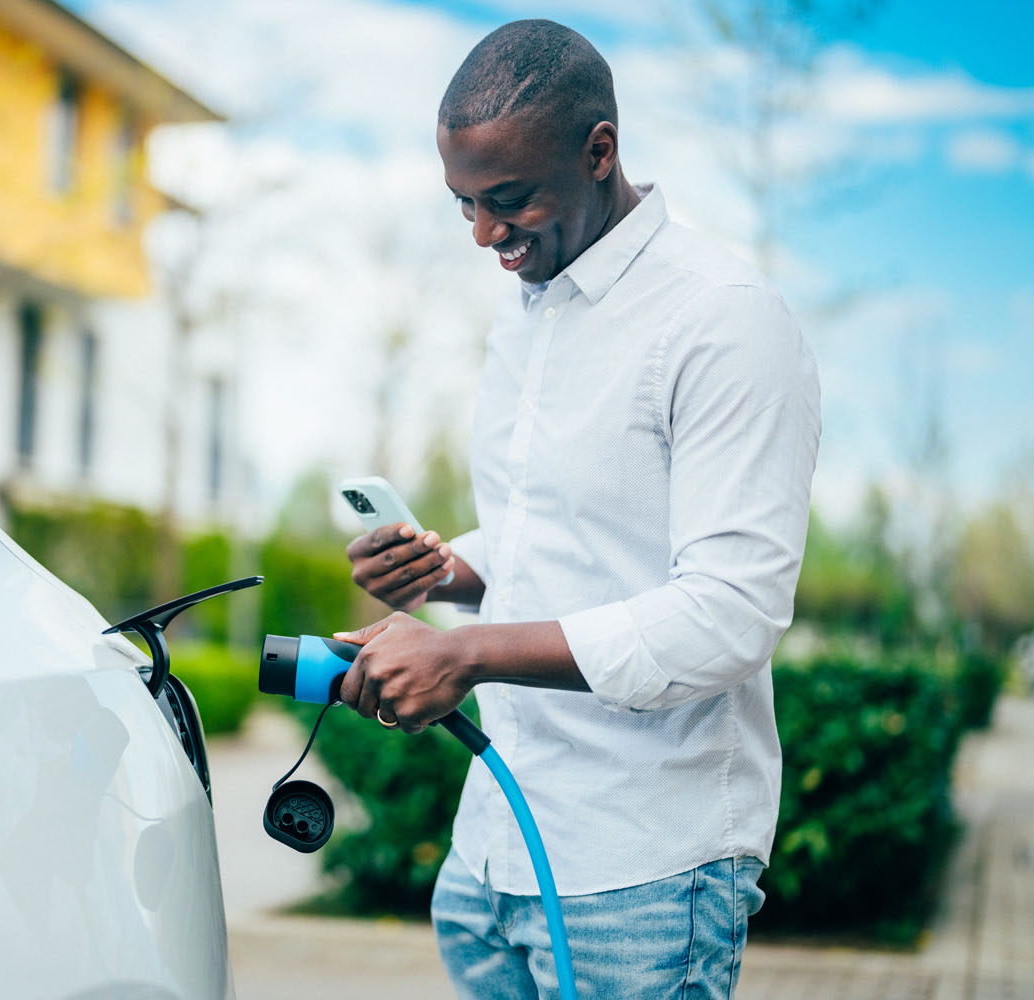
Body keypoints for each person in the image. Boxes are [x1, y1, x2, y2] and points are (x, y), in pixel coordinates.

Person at [335, 18, 821, 1000]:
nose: (483, 236)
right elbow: (558, 534)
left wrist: (463, 652)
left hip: (643, 867)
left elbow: (731, 612)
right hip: (492, 853)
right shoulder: (529, 314)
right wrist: (448, 572)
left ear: (599, 150)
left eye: (506, 201)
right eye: (463, 206)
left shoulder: (724, 321)